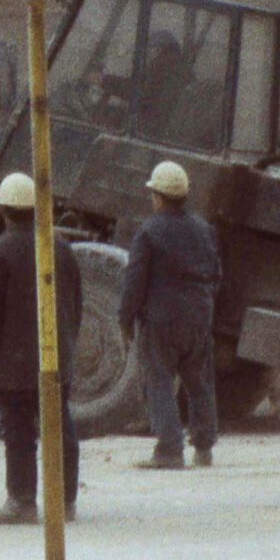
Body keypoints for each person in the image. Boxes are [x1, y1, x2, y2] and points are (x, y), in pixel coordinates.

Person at [0, 172, 81, 526]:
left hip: (13, 364)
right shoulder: (60, 247)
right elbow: (76, 306)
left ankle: (22, 500)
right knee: (59, 428)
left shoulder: (0, 251)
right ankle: (64, 501)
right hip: (55, 358)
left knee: (18, 431)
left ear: (3, 210)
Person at [120, 159, 222, 470]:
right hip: (198, 317)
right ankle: (204, 448)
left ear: (158, 196)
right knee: (198, 381)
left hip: (161, 320)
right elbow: (216, 274)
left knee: (159, 381)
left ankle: (169, 450)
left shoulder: (149, 231)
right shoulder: (204, 229)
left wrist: (125, 318)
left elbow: (135, 281)